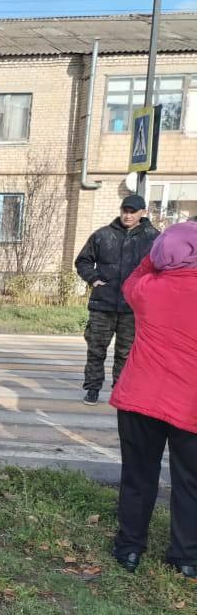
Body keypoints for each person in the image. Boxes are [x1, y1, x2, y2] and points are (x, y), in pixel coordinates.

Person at [108, 220, 197, 579]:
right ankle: (186, 558)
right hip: (189, 405)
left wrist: (154, 258)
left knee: (138, 477)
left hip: (139, 399)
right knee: (190, 482)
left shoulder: (146, 289)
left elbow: (133, 278)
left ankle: (129, 549)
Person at [74, 194, 158, 405]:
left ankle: (120, 390)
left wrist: (148, 290)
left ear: (143, 213)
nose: (127, 215)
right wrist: (93, 278)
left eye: (132, 212)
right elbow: (83, 261)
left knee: (126, 352)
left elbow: (161, 267)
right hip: (103, 304)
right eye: (125, 211)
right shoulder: (103, 235)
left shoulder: (154, 237)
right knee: (96, 348)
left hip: (133, 307)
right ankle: (92, 388)